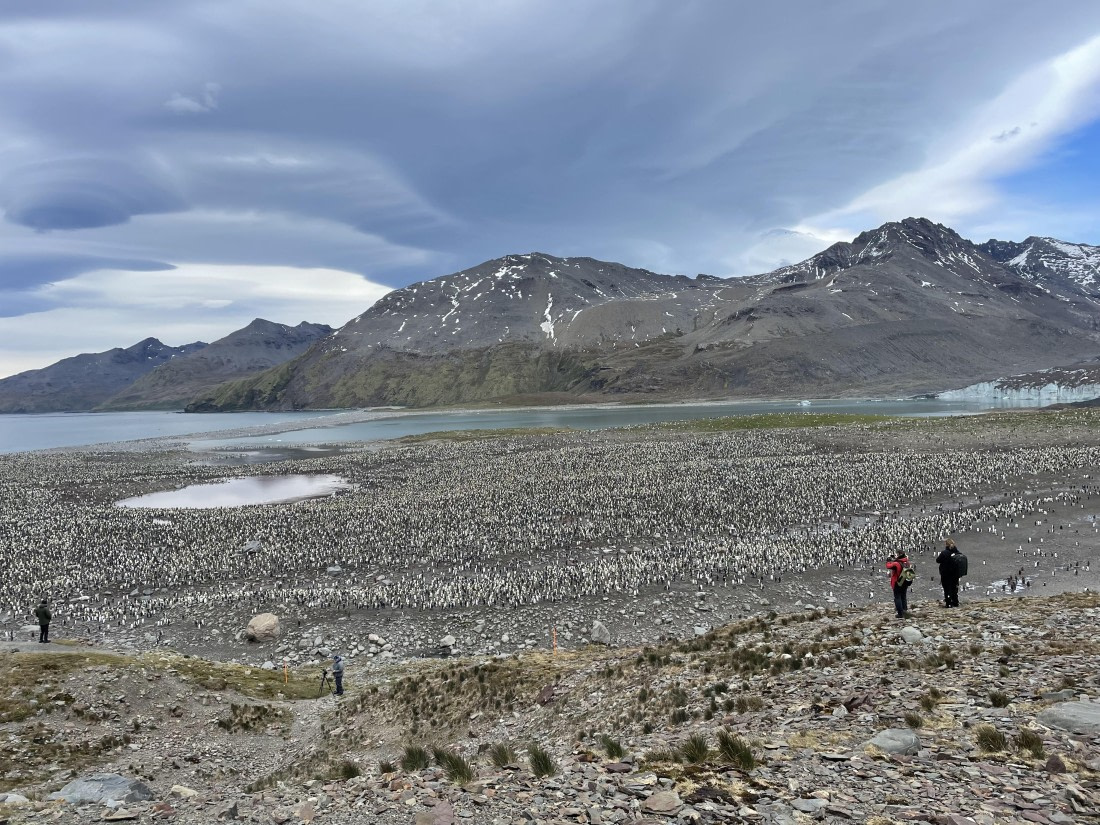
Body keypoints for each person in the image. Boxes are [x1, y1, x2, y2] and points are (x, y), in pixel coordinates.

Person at [936, 538, 961, 607]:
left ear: (946, 544)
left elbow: (938, 560)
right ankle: (955, 602)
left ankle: (949, 603)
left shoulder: (944, 553)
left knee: (947, 589)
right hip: (955, 574)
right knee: (954, 588)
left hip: (946, 574)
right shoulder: (957, 552)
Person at [885, 553, 911, 619]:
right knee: (903, 596)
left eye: (896, 554)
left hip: (898, 582)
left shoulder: (897, 563)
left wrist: (888, 559)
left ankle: (900, 613)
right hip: (905, 582)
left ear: (899, 555)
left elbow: (888, 566)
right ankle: (904, 609)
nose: (895, 555)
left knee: (897, 597)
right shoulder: (906, 562)